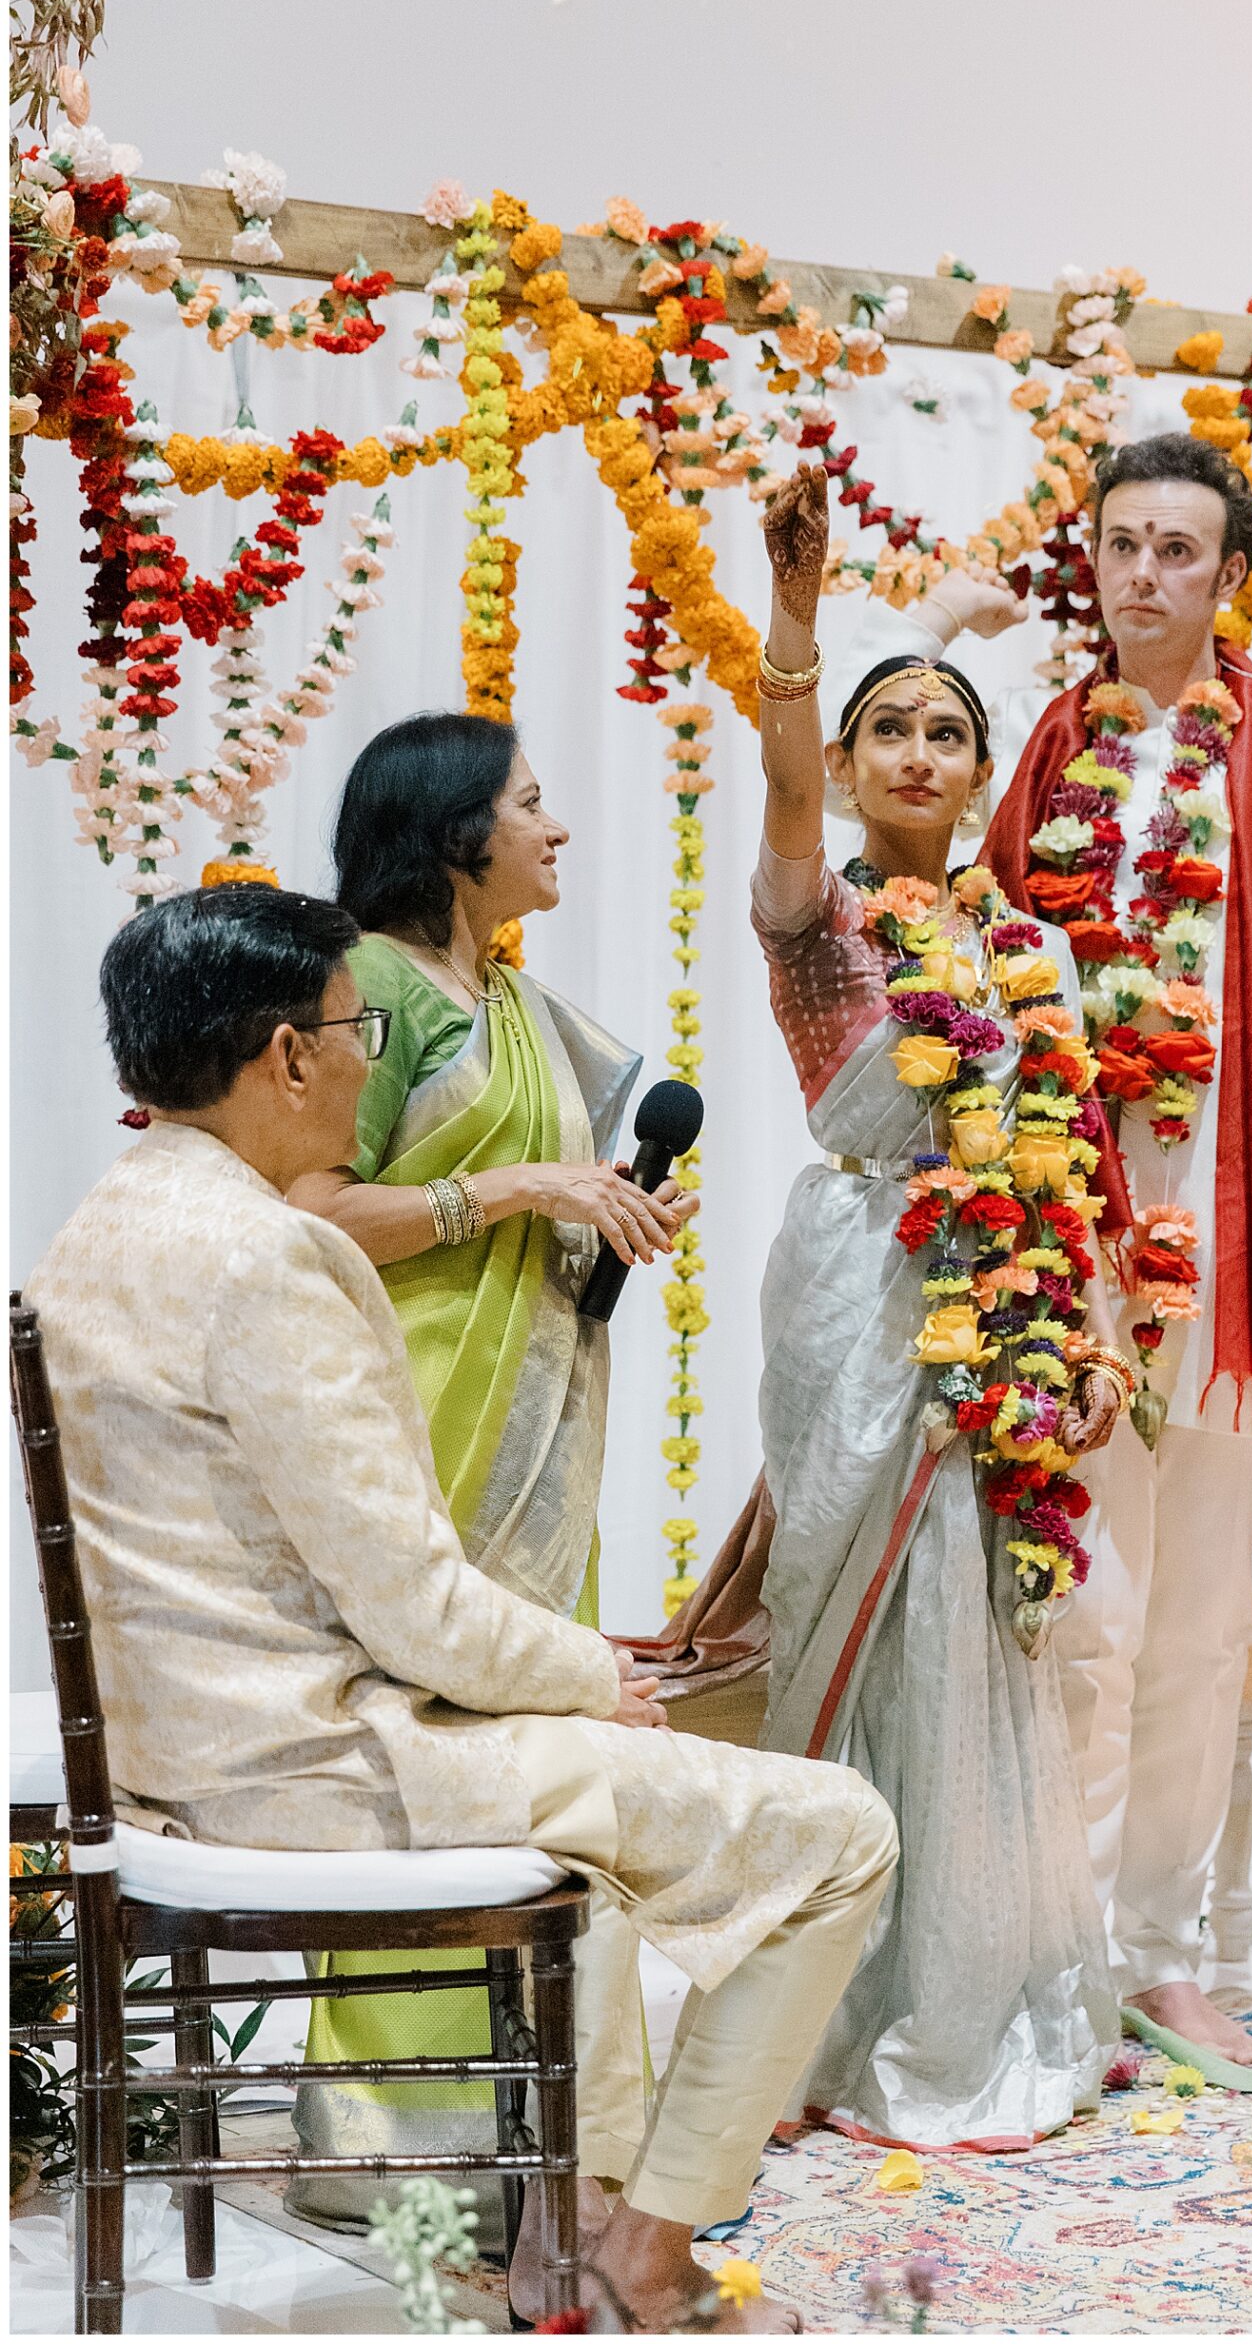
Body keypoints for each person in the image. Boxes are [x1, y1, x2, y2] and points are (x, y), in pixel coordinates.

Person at [27, 885, 896, 2333]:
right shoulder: (269, 1258)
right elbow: (418, 1609)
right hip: (314, 1771)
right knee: (842, 1833)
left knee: (606, 1850)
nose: (369, 1060)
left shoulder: (102, 1228)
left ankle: (578, 2238)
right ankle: (648, 2257)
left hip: (176, 1754)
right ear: (286, 1059)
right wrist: (589, 1673)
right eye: (355, 1029)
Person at [846, 434, 1252, 2064]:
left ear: (1229, 579)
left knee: (1201, 1611)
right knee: (1080, 1594)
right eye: (1120, 545)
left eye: (1176, 550)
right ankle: (1049, 1950)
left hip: (1233, 1253)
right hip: (1061, 1231)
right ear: (1088, 560)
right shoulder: (1027, 769)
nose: (1143, 573)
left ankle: (1154, 1955)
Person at [744, 463, 1125, 2148]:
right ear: (846, 764)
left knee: (981, 1634)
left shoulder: (1028, 953)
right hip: (857, 1300)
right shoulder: (818, 920)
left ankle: (973, 1989)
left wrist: (1098, 1329)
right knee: (866, 1630)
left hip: (1007, 1305)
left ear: (983, 773)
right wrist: (801, 630)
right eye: (884, 729)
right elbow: (775, 798)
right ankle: (834, 2003)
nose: (915, 753)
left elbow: (1076, 1160)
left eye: (945, 732)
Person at [284, 714, 695, 2223]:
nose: (557, 828)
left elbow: (521, 1198)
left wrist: (600, 1212)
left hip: (539, 1404)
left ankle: (533, 2123)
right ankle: (390, 2150)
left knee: (534, 1754)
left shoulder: (509, 996)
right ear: (457, 832)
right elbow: (314, 1210)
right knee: (427, 1742)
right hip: (420, 1413)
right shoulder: (374, 993)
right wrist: (519, 1185)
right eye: (532, 804)